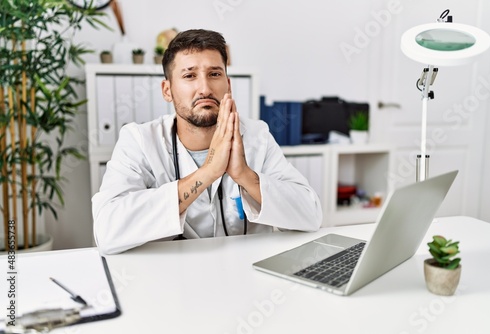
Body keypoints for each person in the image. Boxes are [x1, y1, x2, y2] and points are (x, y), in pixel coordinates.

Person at [92, 29, 322, 254]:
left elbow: (310, 214)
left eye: (214, 74)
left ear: (228, 85)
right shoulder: (140, 140)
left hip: (246, 277)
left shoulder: (255, 136)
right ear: (167, 90)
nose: (205, 88)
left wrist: (244, 175)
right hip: (171, 280)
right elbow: (107, 231)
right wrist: (208, 172)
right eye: (189, 75)